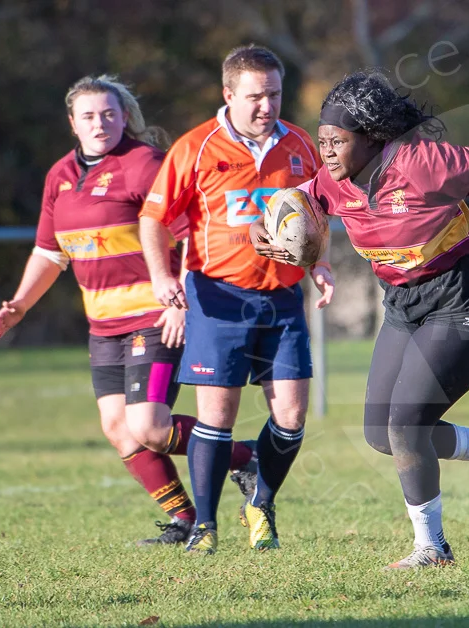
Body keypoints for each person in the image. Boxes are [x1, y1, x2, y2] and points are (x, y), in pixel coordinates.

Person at [252, 71, 469, 570]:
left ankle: (431, 548)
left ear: (372, 138)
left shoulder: (424, 165)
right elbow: (291, 208)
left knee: (407, 424)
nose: (326, 152)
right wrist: (263, 234)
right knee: (380, 433)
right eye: (322, 141)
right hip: (405, 302)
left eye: (338, 142)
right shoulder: (331, 181)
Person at [0, 75, 259, 547]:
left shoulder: (145, 165)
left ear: (125, 117)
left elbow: (192, 236)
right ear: (73, 123)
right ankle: (186, 521)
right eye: (89, 116)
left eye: (110, 114)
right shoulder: (60, 176)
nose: (101, 123)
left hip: (154, 318)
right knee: (120, 430)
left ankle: (247, 458)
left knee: (150, 426)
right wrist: (19, 305)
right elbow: (50, 253)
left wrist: (180, 301)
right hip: (103, 326)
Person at [139, 45, 331, 555]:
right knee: (216, 417)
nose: (266, 105)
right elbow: (154, 219)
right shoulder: (196, 147)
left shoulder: (300, 145)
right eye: (255, 96)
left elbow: (316, 212)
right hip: (217, 297)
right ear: (228, 95)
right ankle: (205, 527)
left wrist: (321, 263)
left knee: (291, 417)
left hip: (283, 300)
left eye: (274, 93)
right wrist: (162, 278)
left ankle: (260, 504)